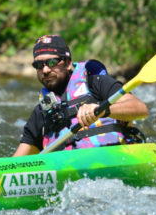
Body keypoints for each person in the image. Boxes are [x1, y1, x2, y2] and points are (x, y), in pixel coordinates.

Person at [13, 35, 148, 157]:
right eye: (38, 65)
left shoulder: (96, 83)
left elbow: (140, 109)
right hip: (71, 176)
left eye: (52, 62)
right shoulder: (41, 112)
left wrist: (103, 110)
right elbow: (16, 163)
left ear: (68, 63)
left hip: (116, 157)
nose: (45, 70)